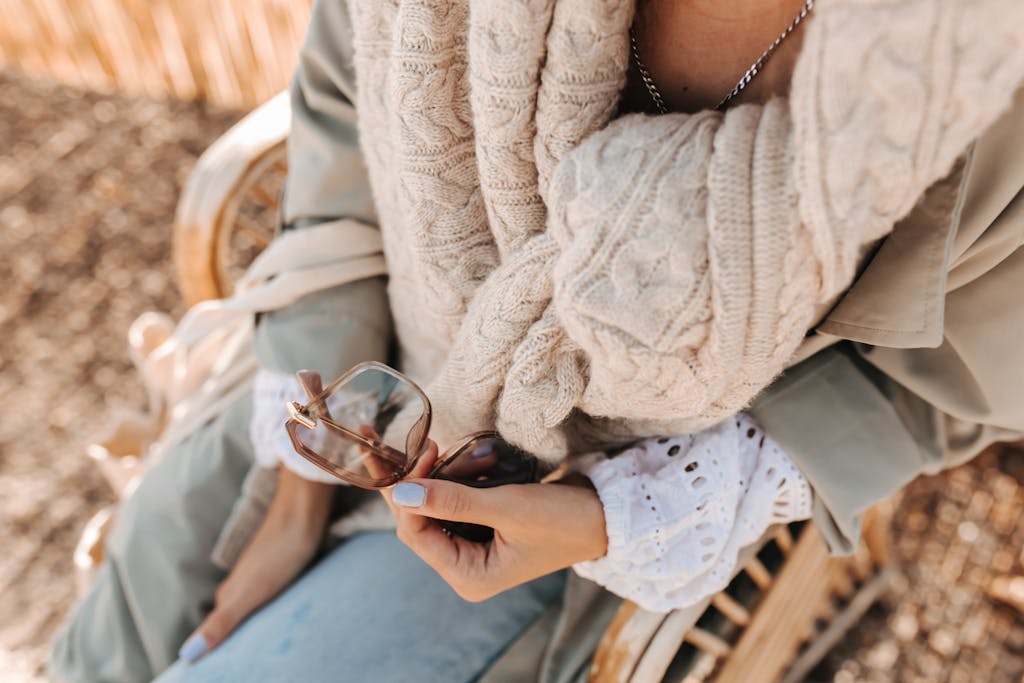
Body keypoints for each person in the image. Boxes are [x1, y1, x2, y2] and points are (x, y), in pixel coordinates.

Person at [50, 0, 1024, 681]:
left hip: (581, 524)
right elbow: (343, 123)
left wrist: (618, 518)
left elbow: (945, 377)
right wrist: (307, 480)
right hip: (351, 378)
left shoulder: (986, 69)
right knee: (99, 656)